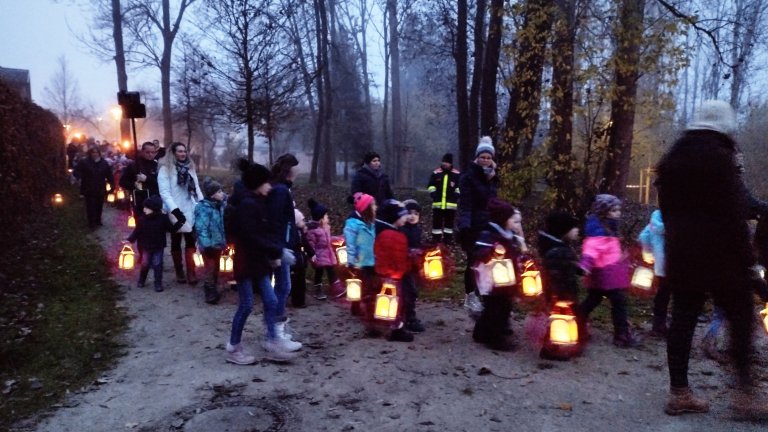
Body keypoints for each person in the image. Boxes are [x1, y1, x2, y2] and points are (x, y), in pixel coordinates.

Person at [656, 100, 768, 418]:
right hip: (722, 259)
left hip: (682, 254)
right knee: (741, 319)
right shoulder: (721, 158)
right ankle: (745, 398)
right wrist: (749, 263)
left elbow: (666, 211)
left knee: (682, 319)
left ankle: (679, 393)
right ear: (725, 124)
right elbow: (733, 216)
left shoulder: (671, 159)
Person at [227, 160, 296, 364]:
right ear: (258, 183)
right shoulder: (248, 206)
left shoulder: (257, 202)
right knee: (246, 305)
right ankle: (233, 348)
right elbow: (253, 237)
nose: (270, 186)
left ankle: (273, 341)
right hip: (246, 264)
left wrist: (274, 254)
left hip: (258, 263)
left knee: (272, 300)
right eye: (267, 182)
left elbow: (263, 234)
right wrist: (277, 252)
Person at [577, 194, 640, 349]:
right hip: (605, 276)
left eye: (618, 209)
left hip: (608, 274)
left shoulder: (608, 228)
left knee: (593, 301)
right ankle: (621, 335)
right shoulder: (598, 231)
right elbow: (591, 251)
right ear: (604, 212)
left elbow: (609, 252)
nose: (618, 213)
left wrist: (624, 260)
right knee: (618, 303)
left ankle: (577, 324)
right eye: (614, 210)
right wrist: (584, 265)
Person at [471, 198, 523, 351]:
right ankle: (495, 338)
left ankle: (481, 332)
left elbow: (513, 254)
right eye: (512, 220)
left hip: (505, 278)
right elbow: (478, 252)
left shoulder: (508, 236)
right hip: (490, 280)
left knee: (501, 306)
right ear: (503, 220)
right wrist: (491, 252)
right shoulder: (489, 236)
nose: (515, 224)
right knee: (495, 308)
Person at [457, 136, 499, 307]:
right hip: (473, 224)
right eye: (483, 157)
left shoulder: (493, 176)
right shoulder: (468, 177)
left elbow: (494, 200)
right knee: (472, 261)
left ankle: (486, 295)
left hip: (489, 225)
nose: (486, 160)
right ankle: (470, 295)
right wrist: (464, 225)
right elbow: (465, 203)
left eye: (489, 158)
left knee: (489, 261)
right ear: (477, 157)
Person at [266, 153, 302, 348]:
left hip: (282, 244)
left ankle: (276, 328)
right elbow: (278, 221)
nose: (299, 170)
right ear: (290, 170)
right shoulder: (281, 191)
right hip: (280, 246)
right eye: (296, 166)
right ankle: (275, 331)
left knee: (283, 286)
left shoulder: (283, 189)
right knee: (282, 286)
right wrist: (279, 248)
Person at [158, 142, 204, 285]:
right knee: (176, 239)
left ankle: (191, 271)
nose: (183, 154)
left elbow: (196, 187)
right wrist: (174, 210)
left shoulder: (190, 167)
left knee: (191, 239)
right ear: (173, 153)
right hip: (175, 208)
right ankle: (179, 270)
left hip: (190, 207)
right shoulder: (165, 169)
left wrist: (201, 204)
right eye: (179, 151)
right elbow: (164, 192)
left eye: (184, 151)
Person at [374, 200, 414, 342]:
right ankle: (396, 329)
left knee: (388, 300)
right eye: (404, 215)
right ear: (396, 217)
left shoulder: (387, 232)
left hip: (385, 273)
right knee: (396, 302)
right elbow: (398, 257)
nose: (407, 217)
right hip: (393, 275)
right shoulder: (394, 236)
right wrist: (407, 265)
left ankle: (388, 326)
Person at [126, 196, 176, 292]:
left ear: (154, 208)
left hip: (158, 245)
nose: (144, 209)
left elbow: (170, 228)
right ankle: (142, 279)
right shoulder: (142, 219)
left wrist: (177, 225)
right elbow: (137, 231)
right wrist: (130, 240)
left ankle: (158, 283)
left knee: (158, 264)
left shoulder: (163, 219)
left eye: (147, 207)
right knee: (145, 263)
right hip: (146, 246)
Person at [344, 192, 377, 321]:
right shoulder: (353, 225)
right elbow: (350, 244)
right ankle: (357, 306)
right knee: (359, 285)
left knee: (370, 285)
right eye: (373, 205)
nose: (376, 208)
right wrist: (350, 261)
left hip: (371, 260)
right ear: (367, 208)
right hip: (359, 262)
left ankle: (368, 307)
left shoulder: (371, 223)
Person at [637, 210, 671, 338]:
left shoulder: (657, 216)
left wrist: (648, 251)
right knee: (679, 295)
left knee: (663, 294)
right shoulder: (679, 217)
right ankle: (674, 327)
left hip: (661, 264)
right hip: (677, 262)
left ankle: (658, 324)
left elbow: (644, 236)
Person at [538, 210, 582, 305]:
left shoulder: (560, 247)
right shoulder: (559, 252)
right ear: (563, 229)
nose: (577, 230)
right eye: (573, 227)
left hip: (560, 296)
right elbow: (558, 277)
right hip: (561, 298)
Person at [194, 178, 226, 305]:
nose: (222, 193)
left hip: (218, 243)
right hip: (208, 245)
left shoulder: (220, 206)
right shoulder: (204, 208)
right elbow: (201, 228)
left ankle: (214, 286)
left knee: (216, 266)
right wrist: (206, 245)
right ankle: (210, 291)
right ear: (212, 194)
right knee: (210, 267)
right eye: (219, 192)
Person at [306, 198, 341, 301]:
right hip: (319, 255)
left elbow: (327, 239)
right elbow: (310, 243)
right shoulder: (313, 231)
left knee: (331, 270)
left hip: (327, 253)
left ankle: (336, 288)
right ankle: (318, 289)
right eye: (326, 216)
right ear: (321, 219)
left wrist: (334, 240)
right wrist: (312, 255)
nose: (328, 218)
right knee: (319, 272)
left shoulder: (325, 228)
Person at [73, 147, 114, 229]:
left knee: (99, 205)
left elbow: (108, 174)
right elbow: (76, 171)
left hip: (100, 187)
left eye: (96, 152)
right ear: (90, 154)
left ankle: (98, 220)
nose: (95, 154)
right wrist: (80, 177)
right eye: (93, 152)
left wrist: (112, 185)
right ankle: (91, 222)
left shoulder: (104, 163)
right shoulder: (85, 162)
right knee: (90, 205)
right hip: (89, 188)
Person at [400, 199, 425, 332]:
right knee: (408, 291)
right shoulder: (402, 230)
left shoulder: (417, 230)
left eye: (416, 213)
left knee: (412, 291)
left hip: (414, 266)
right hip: (404, 266)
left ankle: (407, 315)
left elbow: (418, 244)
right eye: (409, 213)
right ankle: (409, 318)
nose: (412, 216)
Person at [426, 153, 460, 243]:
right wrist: (433, 193)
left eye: (447, 162)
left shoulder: (457, 174)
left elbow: (460, 187)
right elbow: (430, 185)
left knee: (449, 224)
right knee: (437, 223)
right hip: (438, 204)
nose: (445, 164)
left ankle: (447, 239)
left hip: (451, 205)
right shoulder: (436, 173)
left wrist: (456, 195)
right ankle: (436, 239)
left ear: (451, 164)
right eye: (444, 161)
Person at [119, 141, 160, 215]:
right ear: (142, 151)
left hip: (155, 200)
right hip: (139, 201)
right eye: (147, 152)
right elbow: (122, 182)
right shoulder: (134, 165)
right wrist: (134, 184)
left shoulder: (158, 166)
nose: (150, 154)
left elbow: (161, 183)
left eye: (152, 152)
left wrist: (147, 179)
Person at [290, 208, 313, 308]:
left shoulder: (300, 232)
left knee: (301, 281)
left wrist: (312, 253)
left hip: (300, 259)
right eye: (301, 220)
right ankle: (297, 301)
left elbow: (306, 244)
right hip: (295, 259)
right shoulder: (293, 232)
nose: (304, 222)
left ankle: (301, 300)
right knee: (296, 281)